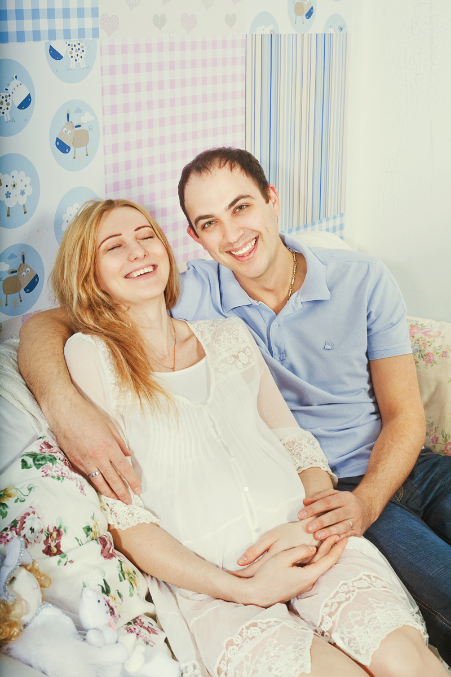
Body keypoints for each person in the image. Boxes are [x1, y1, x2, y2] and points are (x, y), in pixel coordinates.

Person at [18, 149, 451, 662]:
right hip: (328, 497)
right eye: (209, 223)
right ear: (194, 237)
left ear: (272, 199)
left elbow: (404, 413)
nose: (232, 234)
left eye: (241, 207)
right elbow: (47, 323)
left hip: (395, 468)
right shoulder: (183, 295)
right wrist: (64, 406)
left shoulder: (358, 278)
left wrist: (366, 502)